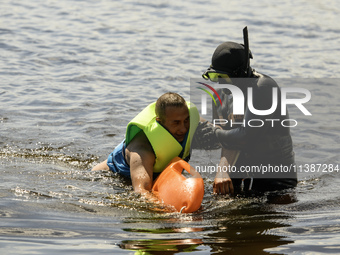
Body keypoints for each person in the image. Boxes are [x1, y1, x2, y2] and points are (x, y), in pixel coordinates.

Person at [197, 39, 297, 196]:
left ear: (241, 73)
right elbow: (228, 141)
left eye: (224, 77)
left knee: (274, 215)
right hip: (240, 174)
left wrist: (214, 132)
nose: (221, 83)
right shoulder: (219, 96)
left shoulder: (263, 88)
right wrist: (222, 172)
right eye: (215, 76)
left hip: (275, 179)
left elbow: (246, 136)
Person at [92, 92, 200, 198]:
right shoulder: (143, 150)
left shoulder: (189, 123)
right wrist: (170, 212)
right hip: (107, 179)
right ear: (159, 122)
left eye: (186, 120)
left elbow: (214, 127)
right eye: (176, 123)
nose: (184, 128)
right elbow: (141, 191)